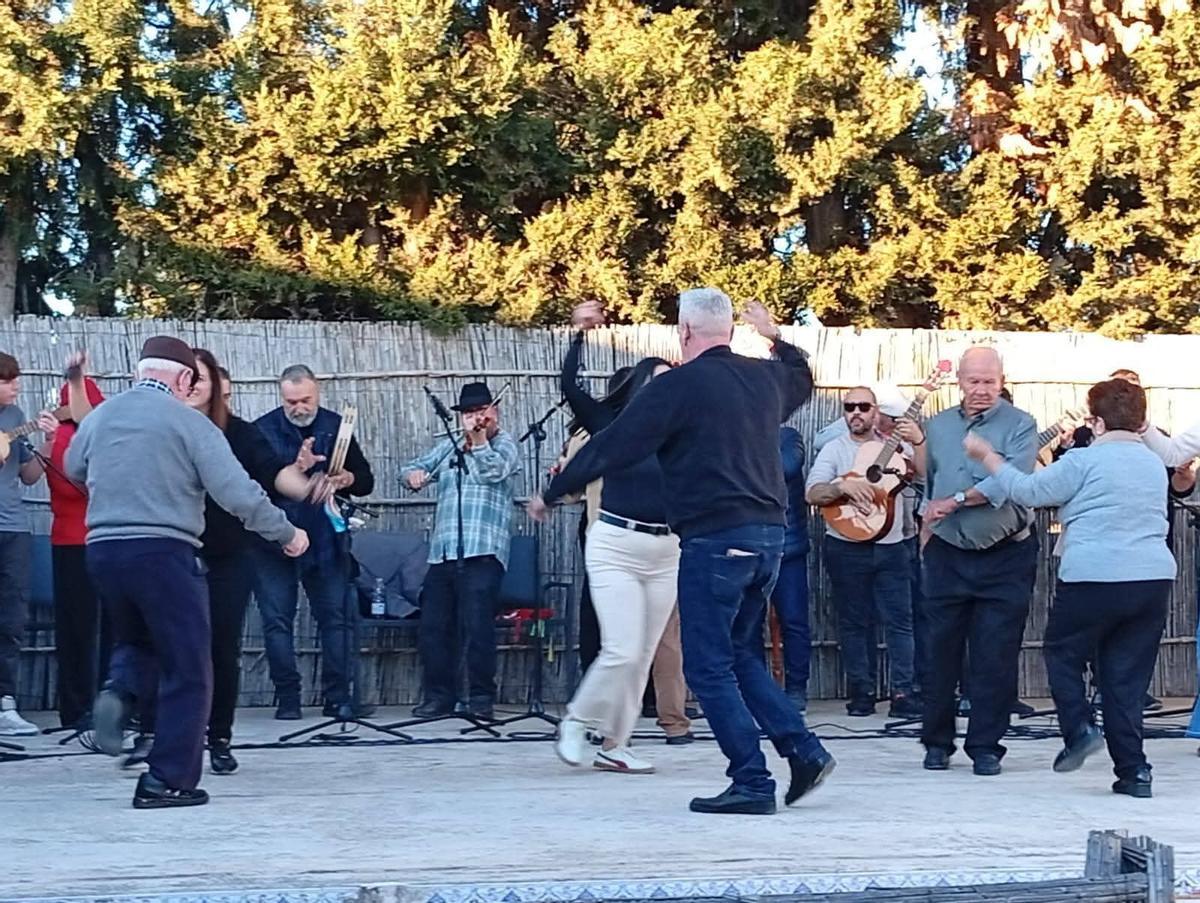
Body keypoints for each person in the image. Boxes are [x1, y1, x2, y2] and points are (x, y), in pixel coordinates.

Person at [530, 289, 834, 816]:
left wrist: (554, 492)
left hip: (717, 542)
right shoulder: (764, 380)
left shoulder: (680, 387)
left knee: (708, 666)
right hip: (768, 540)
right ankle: (804, 751)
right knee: (739, 654)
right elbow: (802, 376)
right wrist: (776, 336)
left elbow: (612, 444)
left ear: (684, 332)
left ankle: (752, 780)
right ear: (731, 332)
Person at [68, 336, 308, 809]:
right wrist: (285, 533)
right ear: (183, 379)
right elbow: (238, 493)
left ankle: (120, 690)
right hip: (162, 552)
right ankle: (167, 781)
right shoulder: (189, 424)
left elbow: (75, 466)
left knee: (136, 641)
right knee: (189, 667)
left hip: (102, 550)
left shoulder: (100, 417)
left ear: (141, 373)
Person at [964, 378, 1174, 798]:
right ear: (1140, 420)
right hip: (1151, 579)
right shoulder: (1153, 463)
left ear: (1095, 422)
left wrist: (988, 457)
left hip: (1094, 575)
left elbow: (1028, 491)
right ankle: (1135, 773)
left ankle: (1078, 729)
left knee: (1063, 653)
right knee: (1125, 680)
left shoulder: (1083, 461)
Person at [137, 349, 320, 775]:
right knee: (164, 646)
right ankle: (153, 732)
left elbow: (274, 473)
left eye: (203, 377)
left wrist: (308, 488)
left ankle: (218, 737)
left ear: (217, 385)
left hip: (226, 555)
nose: (196, 384)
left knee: (221, 648)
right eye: (190, 376)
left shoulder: (238, 433)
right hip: (172, 553)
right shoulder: (160, 428)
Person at [542, 300, 681, 773]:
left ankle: (615, 745)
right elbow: (569, 388)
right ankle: (577, 721)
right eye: (661, 379)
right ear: (641, 387)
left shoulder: (682, 436)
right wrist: (578, 334)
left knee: (641, 656)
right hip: (616, 543)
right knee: (620, 648)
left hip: (667, 550)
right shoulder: (613, 425)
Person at [920, 346, 1038, 777]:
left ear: (1002, 381)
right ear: (960, 382)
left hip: (1005, 554)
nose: (982, 390)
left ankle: (986, 747)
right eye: (974, 381)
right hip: (948, 553)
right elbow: (926, 487)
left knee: (995, 655)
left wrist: (953, 502)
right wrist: (926, 535)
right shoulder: (938, 426)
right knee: (938, 654)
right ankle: (936, 743)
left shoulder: (1022, 425)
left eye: (990, 381)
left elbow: (1006, 484)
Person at [253, 364, 375, 720]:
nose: (299, 407)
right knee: (277, 621)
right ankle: (288, 700)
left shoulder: (338, 427)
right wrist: (296, 468)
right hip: (275, 538)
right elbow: (254, 487)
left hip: (325, 539)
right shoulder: (262, 430)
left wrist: (344, 478)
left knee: (335, 620)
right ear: (281, 397)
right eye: (291, 401)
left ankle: (338, 699)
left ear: (317, 392)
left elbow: (365, 481)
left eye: (305, 399)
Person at [403, 382, 520, 721]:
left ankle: (481, 696)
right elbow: (411, 470)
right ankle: (440, 696)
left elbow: (494, 471)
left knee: (477, 623)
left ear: (494, 411)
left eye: (481, 411)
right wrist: (413, 475)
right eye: (468, 413)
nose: (474, 418)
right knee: (434, 625)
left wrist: (480, 441)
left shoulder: (505, 445)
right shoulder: (450, 447)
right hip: (443, 551)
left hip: (483, 550)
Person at [805, 386, 923, 719]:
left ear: (876, 412)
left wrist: (917, 443)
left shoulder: (895, 449)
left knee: (901, 622)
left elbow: (925, 474)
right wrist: (841, 487)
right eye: (849, 407)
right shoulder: (833, 449)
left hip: (891, 546)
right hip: (846, 545)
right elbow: (812, 492)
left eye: (863, 407)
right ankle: (862, 693)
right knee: (854, 622)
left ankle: (903, 692)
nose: (856, 412)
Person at [0, 351, 60, 736]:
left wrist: (49, 440)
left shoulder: (14, 417)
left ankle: (5, 702)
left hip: (13, 527)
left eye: (16, 379)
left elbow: (29, 476)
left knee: (11, 616)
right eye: (7, 380)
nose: (15, 386)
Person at [47, 351, 107, 731]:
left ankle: (112, 706)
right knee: (77, 629)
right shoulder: (63, 436)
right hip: (71, 541)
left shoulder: (104, 434)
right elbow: (65, 486)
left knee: (115, 628)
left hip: (105, 539)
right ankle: (76, 708)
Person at [772, 425, 811, 713]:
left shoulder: (788, 437)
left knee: (794, 622)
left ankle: (797, 688)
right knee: (745, 627)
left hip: (788, 548)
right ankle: (754, 689)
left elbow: (786, 466)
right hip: (747, 547)